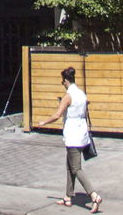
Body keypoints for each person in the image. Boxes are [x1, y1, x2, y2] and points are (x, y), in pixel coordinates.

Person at [36, 66, 103, 212]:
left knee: (76, 168)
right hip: (82, 132)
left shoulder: (68, 96)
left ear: (66, 80)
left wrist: (43, 122)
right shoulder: (82, 94)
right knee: (69, 165)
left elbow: (57, 115)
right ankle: (68, 196)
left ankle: (93, 195)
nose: (63, 84)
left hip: (72, 134)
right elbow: (84, 111)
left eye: (62, 82)